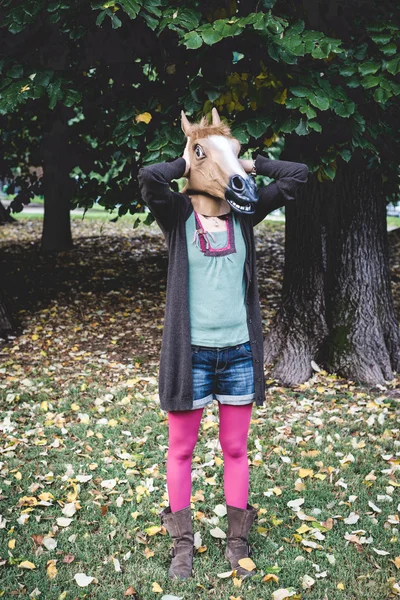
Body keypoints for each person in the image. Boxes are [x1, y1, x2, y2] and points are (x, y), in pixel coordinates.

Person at [138, 109, 309, 580]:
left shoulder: (246, 215)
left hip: (237, 354)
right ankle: (181, 547)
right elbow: (150, 178)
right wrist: (191, 157)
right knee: (181, 450)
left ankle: (238, 542)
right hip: (189, 355)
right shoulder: (176, 216)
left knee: (236, 448)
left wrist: (247, 164)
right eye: (213, 159)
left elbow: (297, 176)